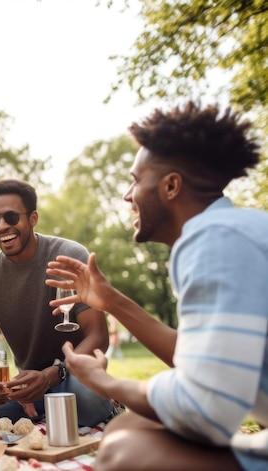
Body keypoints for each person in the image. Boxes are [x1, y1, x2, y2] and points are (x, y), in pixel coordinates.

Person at [47, 101, 267, 471]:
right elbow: (200, 359)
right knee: (134, 423)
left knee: (123, 453)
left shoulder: (212, 241)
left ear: (171, 186)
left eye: (135, 180)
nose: (127, 195)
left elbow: (205, 409)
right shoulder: (237, 229)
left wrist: (105, 383)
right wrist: (111, 301)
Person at [0, 179, 116, 425]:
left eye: (11, 217)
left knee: (86, 400)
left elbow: (98, 337)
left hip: (74, 376)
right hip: (27, 391)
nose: (1, 227)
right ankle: (45, 416)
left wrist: (52, 375)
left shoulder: (70, 257)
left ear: (33, 219)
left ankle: (106, 408)